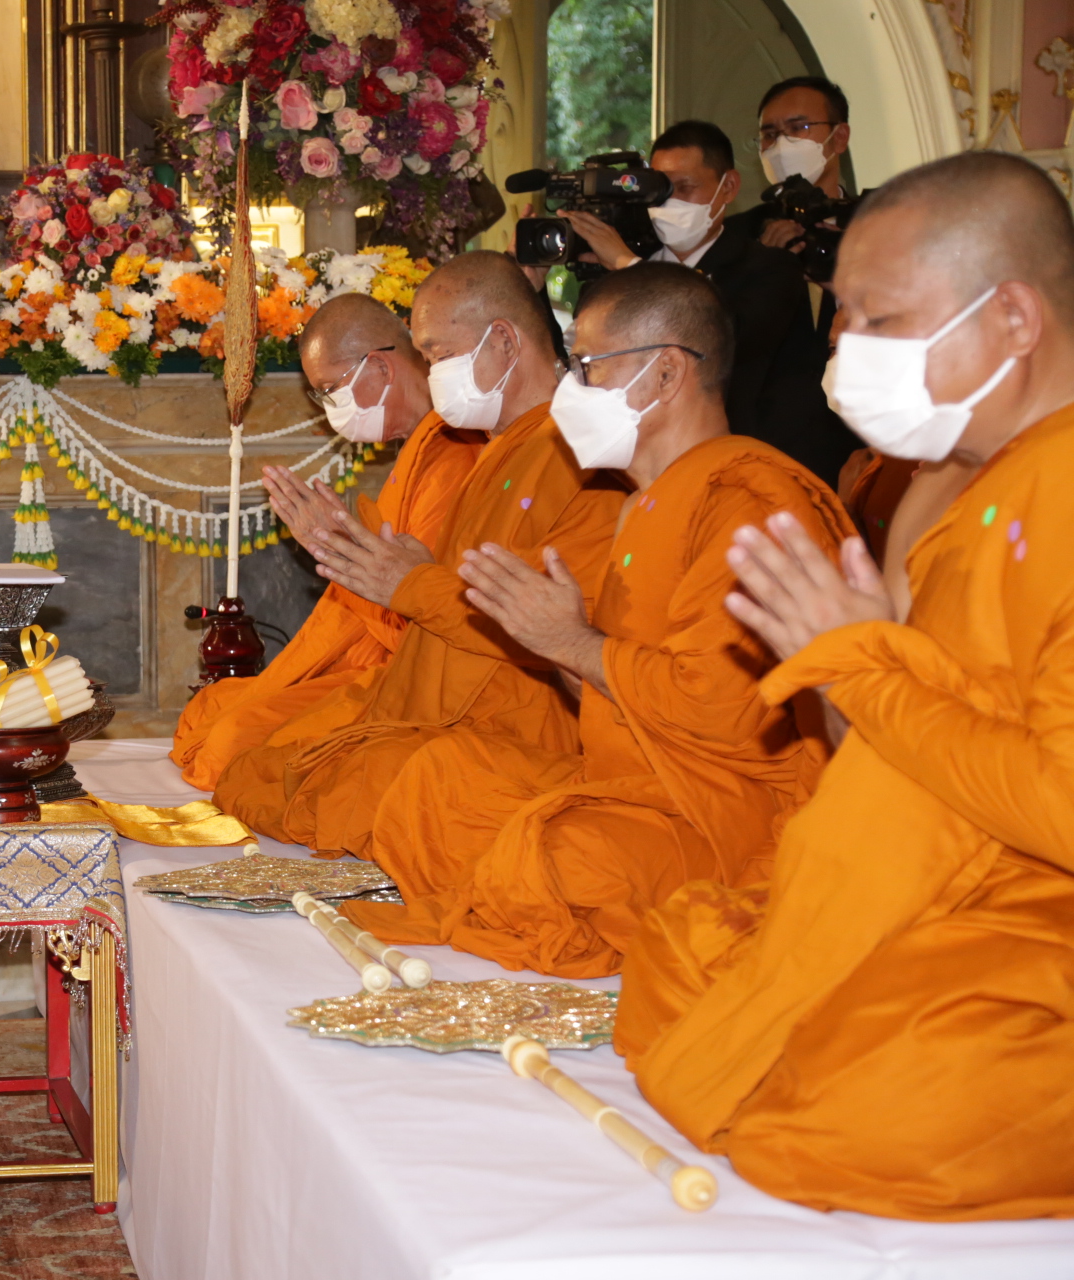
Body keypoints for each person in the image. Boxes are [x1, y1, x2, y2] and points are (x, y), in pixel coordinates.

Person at [618, 151, 1074, 1219]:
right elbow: (890, 750)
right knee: (679, 950)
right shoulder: (973, 484)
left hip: (1033, 916)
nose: (843, 358)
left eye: (879, 320)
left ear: (1012, 316)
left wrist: (865, 664)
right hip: (915, 888)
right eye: (843, 321)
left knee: (884, 1101)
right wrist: (843, 665)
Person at [339, 264, 851, 977]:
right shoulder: (644, 503)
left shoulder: (747, 502)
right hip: (626, 784)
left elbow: (726, 715)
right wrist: (556, 644)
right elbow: (607, 700)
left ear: (667, 374)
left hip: (724, 811)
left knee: (562, 858)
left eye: (588, 368)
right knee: (443, 782)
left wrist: (574, 645)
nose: (570, 391)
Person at [211, 252, 627, 854]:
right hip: (440, 704)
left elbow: (562, 635)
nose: (430, 378)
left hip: (521, 724)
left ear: (504, 340)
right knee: (260, 773)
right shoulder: (502, 451)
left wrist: (408, 583)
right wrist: (373, 567)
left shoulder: (578, 455)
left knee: (321, 786)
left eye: (437, 356)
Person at [172, 295, 483, 790]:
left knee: (231, 745)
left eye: (328, 390)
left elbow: (420, 620)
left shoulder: (455, 457)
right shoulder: (418, 449)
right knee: (209, 712)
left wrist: (339, 551)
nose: (327, 408)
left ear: (379, 367)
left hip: (408, 678)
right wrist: (337, 549)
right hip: (375, 659)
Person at [563, 120, 859, 489]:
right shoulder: (619, 267)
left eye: (685, 187)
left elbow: (724, 337)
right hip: (638, 472)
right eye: (661, 189)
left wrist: (629, 267)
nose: (669, 202)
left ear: (728, 186)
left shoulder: (769, 266)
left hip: (747, 473)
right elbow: (576, 363)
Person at [725, 75, 854, 255]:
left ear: (839, 137)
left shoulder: (874, 226)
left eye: (798, 128)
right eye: (769, 135)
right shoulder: (734, 237)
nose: (781, 145)